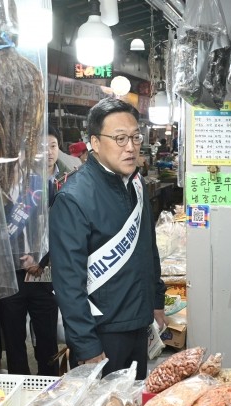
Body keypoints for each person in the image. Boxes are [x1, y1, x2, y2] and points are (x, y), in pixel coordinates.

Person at [50, 98, 166, 379]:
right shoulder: (74, 198)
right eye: (119, 138)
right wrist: (87, 346)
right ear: (95, 142)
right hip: (102, 333)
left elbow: (148, 249)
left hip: (139, 323)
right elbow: (68, 284)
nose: (130, 147)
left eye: (135, 137)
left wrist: (156, 301)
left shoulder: (135, 185)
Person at [0, 130, 62, 377]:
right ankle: (19, 387)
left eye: (19, 155)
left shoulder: (42, 186)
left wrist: (42, 262)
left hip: (41, 274)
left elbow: (58, 228)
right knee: (13, 338)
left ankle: (50, 385)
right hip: (8, 276)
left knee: (46, 336)